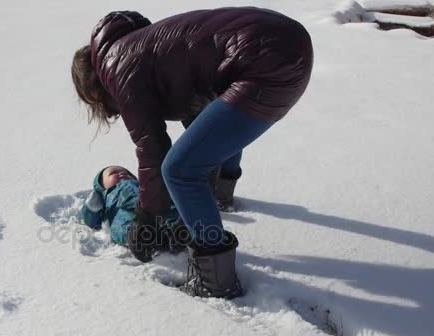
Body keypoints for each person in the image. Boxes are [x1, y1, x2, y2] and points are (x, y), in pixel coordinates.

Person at [72, 8, 313, 299]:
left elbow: (153, 149)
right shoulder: (141, 47)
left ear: (93, 90)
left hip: (265, 62)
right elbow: (203, 126)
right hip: (291, 41)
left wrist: (147, 217)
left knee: (179, 170)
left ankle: (215, 281)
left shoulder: (119, 65)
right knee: (206, 141)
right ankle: (220, 198)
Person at [79, 165, 186, 254]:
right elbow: (92, 222)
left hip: (150, 206)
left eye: (128, 173)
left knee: (168, 210)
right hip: (123, 217)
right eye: (114, 173)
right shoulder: (105, 198)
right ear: (101, 186)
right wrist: (92, 207)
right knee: (125, 226)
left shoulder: (141, 186)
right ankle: (152, 239)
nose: (123, 174)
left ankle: (177, 231)